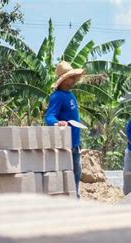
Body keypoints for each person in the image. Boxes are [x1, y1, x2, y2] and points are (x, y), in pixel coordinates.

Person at [45, 61, 86, 198]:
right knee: (70, 175)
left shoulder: (71, 95)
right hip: (66, 146)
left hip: (75, 143)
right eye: (71, 77)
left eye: (74, 77)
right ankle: (71, 201)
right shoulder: (57, 97)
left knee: (77, 173)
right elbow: (50, 116)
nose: (74, 79)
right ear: (63, 80)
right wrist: (57, 123)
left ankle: (75, 199)